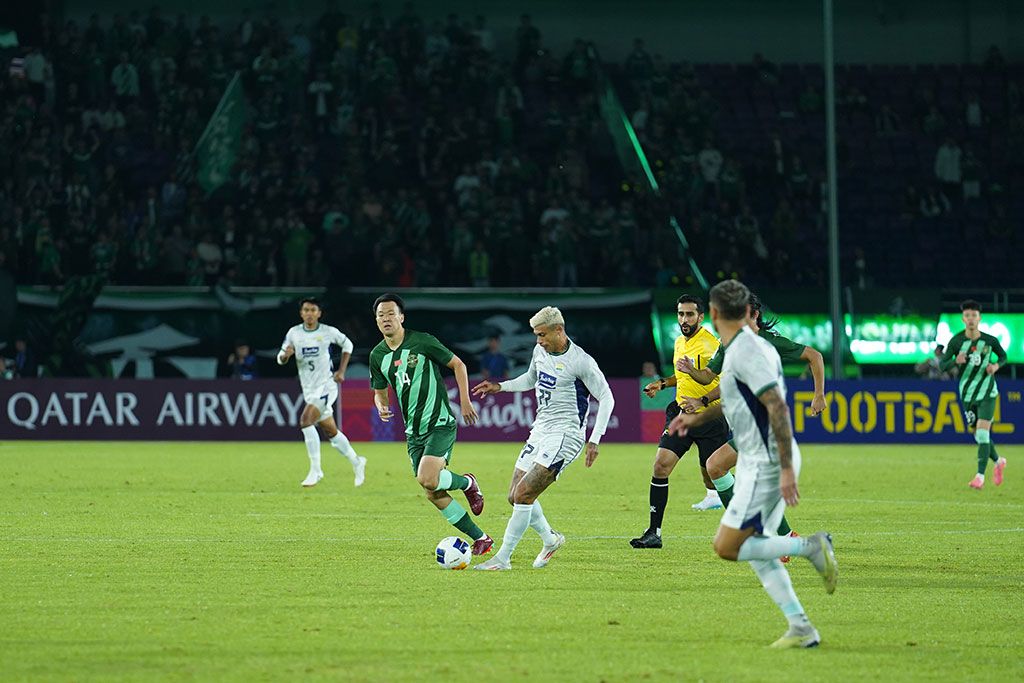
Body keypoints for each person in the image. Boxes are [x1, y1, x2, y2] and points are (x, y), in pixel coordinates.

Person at [669, 279, 837, 649]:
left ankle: (809, 547)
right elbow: (738, 400)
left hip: (768, 461)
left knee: (727, 546)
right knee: (759, 547)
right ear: (746, 312)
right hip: (757, 458)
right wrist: (694, 419)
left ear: (711, 314)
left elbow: (776, 405)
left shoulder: (748, 351)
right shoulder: (737, 349)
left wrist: (787, 467)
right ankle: (801, 626)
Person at [678, 293, 826, 549]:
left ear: (754, 315)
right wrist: (698, 391)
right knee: (718, 469)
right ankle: (780, 537)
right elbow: (712, 378)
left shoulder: (768, 342)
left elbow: (815, 356)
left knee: (723, 470)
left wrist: (819, 395)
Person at [471, 306, 614, 570]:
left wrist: (595, 439)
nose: (538, 341)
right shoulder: (540, 352)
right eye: (536, 335)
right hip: (541, 430)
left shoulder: (581, 361)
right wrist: (500, 387)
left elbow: (606, 397)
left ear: (559, 330)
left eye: (542, 335)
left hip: (566, 435)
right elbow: (530, 379)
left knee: (525, 494)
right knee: (514, 496)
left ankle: (503, 558)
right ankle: (550, 539)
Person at [369, 293, 494, 556]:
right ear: (377, 321)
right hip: (413, 432)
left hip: (439, 422)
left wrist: (465, 400)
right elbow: (379, 391)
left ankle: (467, 483)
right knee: (432, 491)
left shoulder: (422, 341)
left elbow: (458, 365)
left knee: (427, 477)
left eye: (391, 313)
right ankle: (482, 538)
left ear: (401, 317)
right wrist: (381, 406)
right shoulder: (377, 355)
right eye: (381, 315)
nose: (386, 318)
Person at [630, 294, 730, 550]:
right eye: (680, 314)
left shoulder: (711, 344)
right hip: (681, 415)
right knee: (661, 465)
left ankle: (750, 524)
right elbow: (681, 374)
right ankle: (654, 532)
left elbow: (717, 379)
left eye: (689, 314)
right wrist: (662, 383)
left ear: (701, 316)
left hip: (710, 418)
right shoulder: (678, 342)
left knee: (713, 481)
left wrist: (704, 400)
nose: (684, 319)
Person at [277, 298, 366, 488]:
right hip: (308, 388)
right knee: (331, 431)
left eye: (313, 310)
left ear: (319, 313)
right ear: (301, 313)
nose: (309, 313)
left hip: (326, 386)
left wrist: (341, 370)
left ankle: (316, 470)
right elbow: (280, 357)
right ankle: (357, 462)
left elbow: (348, 345)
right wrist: (285, 356)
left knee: (305, 420)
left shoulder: (328, 332)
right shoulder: (294, 333)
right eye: (306, 310)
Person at [939, 300, 1008, 489]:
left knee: (983, 432)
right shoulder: (956, 341)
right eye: (968, 316)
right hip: (967, 394)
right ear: (963, 319)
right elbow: (942, 365)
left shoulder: (990, 341)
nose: (971, 319)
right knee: (978, 435)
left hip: (987, 392)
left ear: (979, 318)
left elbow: (1003, 356)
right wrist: (955, 361)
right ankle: (999, 461)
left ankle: (980, 476)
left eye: (974, 315)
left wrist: (995, 366)